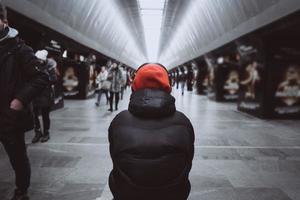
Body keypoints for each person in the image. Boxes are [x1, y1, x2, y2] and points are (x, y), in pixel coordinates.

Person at [108, 63, 195, 200]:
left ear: (134, 87)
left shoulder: (119, 121)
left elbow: (115, 159)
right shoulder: (183, 122)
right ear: (168, 87)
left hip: (127, 195)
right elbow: (187, 163)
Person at [0, 2, 48, 200]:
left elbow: (42, 77)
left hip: (9, 116)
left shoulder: (19, 48)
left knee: (17, 157)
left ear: (4, 22)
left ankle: (22, 190)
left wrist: (19, 100)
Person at [31, 50, 57, 143]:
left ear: (44, 59)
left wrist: (43, 79)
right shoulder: (34, 66)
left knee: (45, 115)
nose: (38, 61)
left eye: (40, 60)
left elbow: (54, 79)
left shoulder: (50, 67)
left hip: (46, 94)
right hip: (35, 94)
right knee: (35, 115)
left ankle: (46, 133)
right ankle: (37, 132)